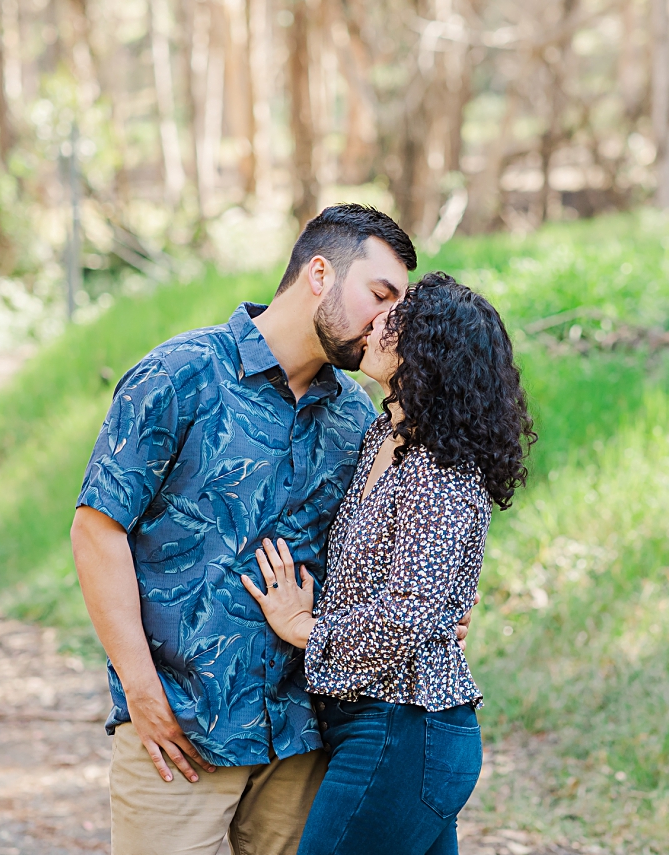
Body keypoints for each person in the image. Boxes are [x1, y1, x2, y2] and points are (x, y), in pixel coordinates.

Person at [73, 205, 471, 855]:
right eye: (379, 294)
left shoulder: (357, 418)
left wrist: (437, 602)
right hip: (180, 730)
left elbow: (389, 545)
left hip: (304, 736)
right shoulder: (181, 374)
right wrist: (140, 691)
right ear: (319, 272)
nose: (388, 320)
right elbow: (97, 529)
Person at [243, 272, 534, 855]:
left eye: (397, 319)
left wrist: (306, 629)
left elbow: (410, 615)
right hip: (371, 727)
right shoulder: (382, 435)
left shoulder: (441, 468)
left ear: (429, 349)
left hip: (406, 729)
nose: (376, 322)